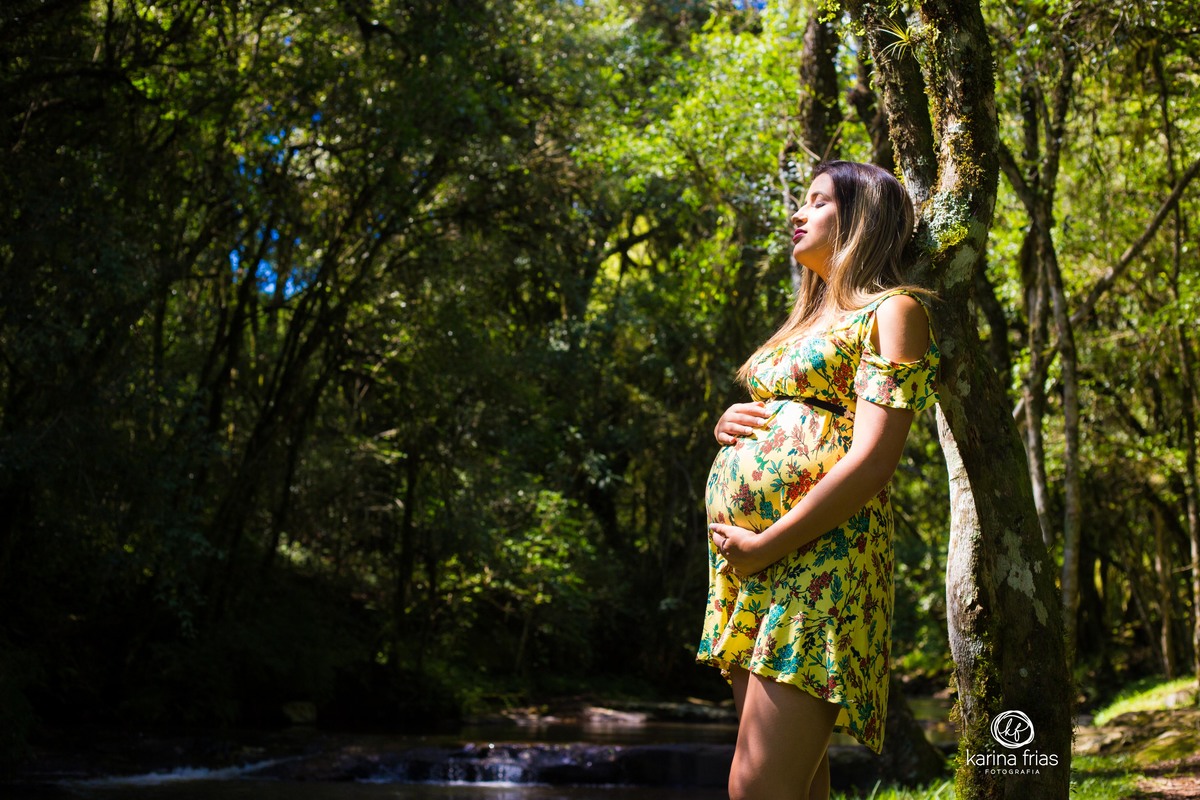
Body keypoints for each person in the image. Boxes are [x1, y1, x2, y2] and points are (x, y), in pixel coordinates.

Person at [696, 160, 940, 800]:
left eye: (818, 202)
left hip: (818, 561)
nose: (797, 214)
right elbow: (785, 413)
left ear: (860, 219)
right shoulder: (804, 322)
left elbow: (873, 461)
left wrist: (764, 545)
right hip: (751, 567)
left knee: (756, 789)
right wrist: (733, 421)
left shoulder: (895, 311)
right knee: (798, 789)